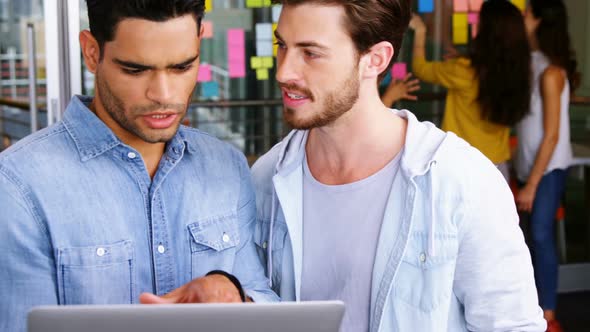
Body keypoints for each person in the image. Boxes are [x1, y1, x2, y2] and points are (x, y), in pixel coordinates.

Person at [153, 0, 546, 331]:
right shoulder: (265, 180)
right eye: (282, 46)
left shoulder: (461, 181)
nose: (284, 71)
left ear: (375, 59)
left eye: (310, 53)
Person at [0, 1, 277, 330]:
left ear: (199, 43)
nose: (163, 94)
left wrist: (233, 294)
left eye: (181, 67)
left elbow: (262, 300)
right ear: (91, 52)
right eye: (135, 69)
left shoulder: (226, 165)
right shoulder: (18, 185)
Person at [410, 0, 531, 181]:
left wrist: (420, 31)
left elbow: (420, 68)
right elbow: (491, 64)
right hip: (498, 170)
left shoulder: (464, 70)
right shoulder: (517, 71)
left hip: (463, 168)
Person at [516, 1, 577, 331]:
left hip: (547, 171)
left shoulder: (552, 72)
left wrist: (532, 183)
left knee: (540, 236)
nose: (521, 17)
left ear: (540, 20)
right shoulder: (532, 62)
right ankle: (533, 309)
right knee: (529, 238)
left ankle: (549, 315)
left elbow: (552, 135)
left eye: (526, 13)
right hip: (530, 168)